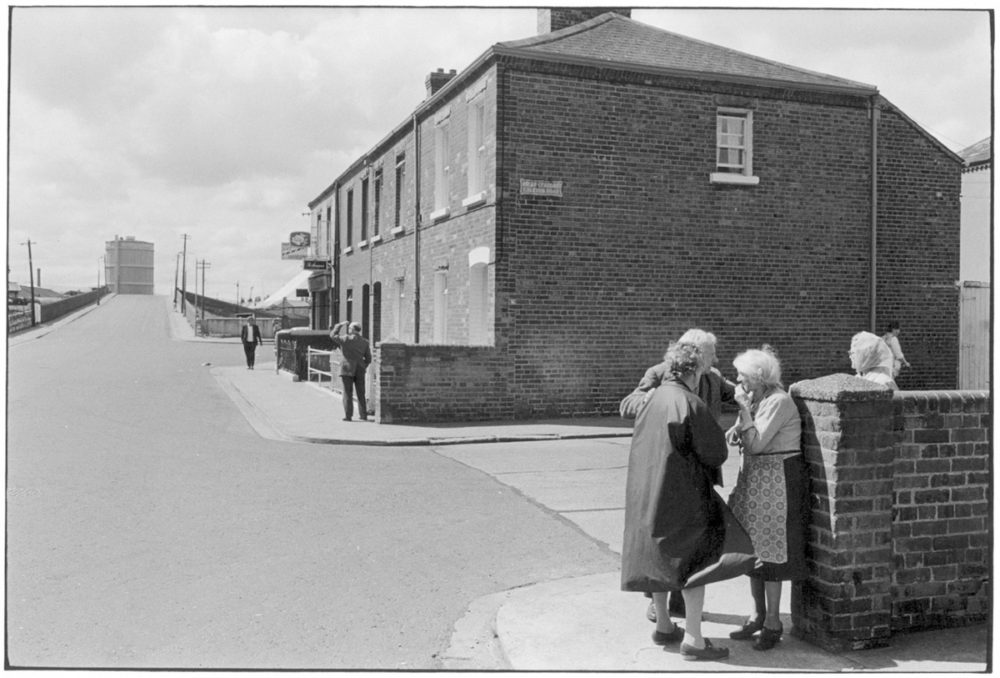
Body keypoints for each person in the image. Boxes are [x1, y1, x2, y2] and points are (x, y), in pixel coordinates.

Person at [621, 342, 756, 661]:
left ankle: (665, 625)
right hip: (683, 493)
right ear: (694, 372)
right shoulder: (689, 402)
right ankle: (694, 638)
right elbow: (716, 453)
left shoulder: (653, 398)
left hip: (648, 489)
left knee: (660, 556)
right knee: (697, 561)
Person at [725, 347, 809, 652]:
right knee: (754, 549)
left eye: (742, 375)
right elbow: (746, 435)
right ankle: (757, 614)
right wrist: (738, 426)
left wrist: (743, 412)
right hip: (757, 479)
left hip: (776, 478)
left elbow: (758, 444)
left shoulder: (778, 401)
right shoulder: (757, 399)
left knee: (772, 550)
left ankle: (773, 620)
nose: (737, 380)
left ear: (759, 377)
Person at [330, 321, 372, 422]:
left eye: (349, 328)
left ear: (352, 329)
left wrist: (339, 324)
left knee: (347, 393)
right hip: (360, 369)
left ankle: (348, 416)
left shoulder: (346, 339)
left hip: (347, 368)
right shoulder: (365, 342)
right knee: (361, 393)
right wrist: (363, 365)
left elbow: (333, 335)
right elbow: (368, 358)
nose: (348, 330)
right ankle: (363, 415)